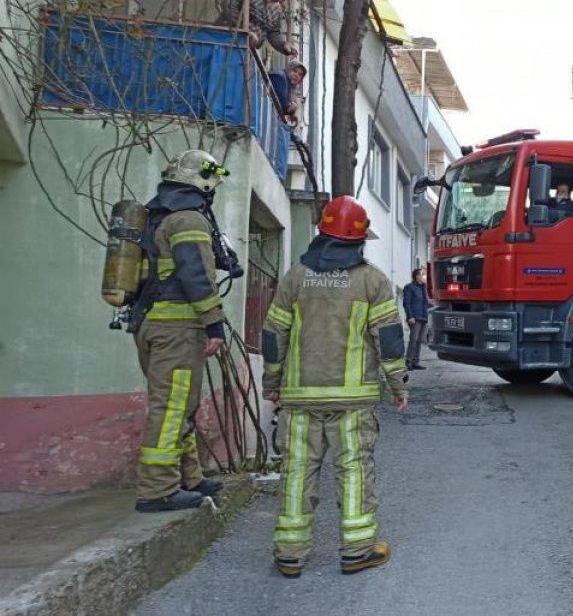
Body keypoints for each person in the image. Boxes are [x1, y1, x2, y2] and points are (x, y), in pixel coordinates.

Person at [262, 196, 408, 578]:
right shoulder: (371, 280)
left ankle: (289, 554)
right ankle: (358, 550)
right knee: (355, 472)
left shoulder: (295, 277)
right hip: (352, 402)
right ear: (359, 241)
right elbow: (389, 340)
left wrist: (272, 382)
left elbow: (273, 334)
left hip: (298, 400)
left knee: (296, 473)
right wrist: (398, 385)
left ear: (321, 235)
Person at [131, 149, 233, 512]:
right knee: (173, 406)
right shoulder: (188, 219)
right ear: (203, 183)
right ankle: (158, 490)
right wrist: (214, 323)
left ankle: (189, 477)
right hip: (175, 328)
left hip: (151, 324)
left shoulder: (156, 214)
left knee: (180, 404)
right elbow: (196, 275)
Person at [218, 0, 298, 56]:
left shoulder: (277, 10)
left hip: (248, 51)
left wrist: (283, 45)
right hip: (225, 41)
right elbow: (229, 6)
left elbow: (273, 33)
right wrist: (245, 31)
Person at [402, 268, 430, 370]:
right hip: (415, 317)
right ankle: (408, 361)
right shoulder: (410, 287)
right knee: (413, 339)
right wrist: (410, 316)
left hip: (423, 317)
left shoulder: (423, 288)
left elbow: (427, 302)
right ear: (417, 276)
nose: (424, 277)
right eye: (422, 274)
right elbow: (406, 303)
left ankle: (415, 361)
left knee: (419, 341)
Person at [284, 60, 307, 127]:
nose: (296, 75)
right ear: (289, 69)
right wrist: (289, 109)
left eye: (300, 74)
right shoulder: (282, 80)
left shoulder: (294, 90)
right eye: (294, 71)